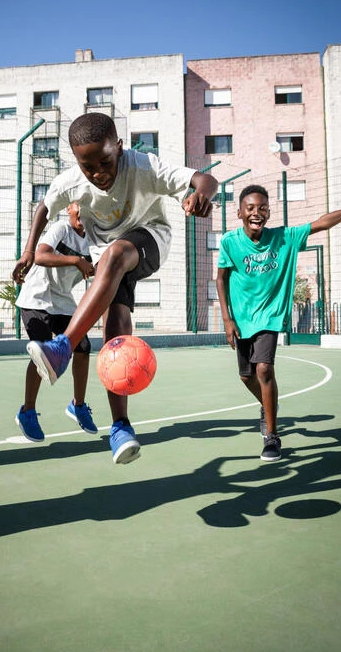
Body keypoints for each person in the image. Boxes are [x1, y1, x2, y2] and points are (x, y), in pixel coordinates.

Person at [12, 112, 218, 464]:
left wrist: (201, 194)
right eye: (87, 166)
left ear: (119, 148)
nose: (98, 173)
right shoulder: (71, 182)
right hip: (107, 261)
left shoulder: (143, 166)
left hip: (149, 240)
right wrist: (29, 251)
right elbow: (44, 208)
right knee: (115, 333)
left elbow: (204, 179)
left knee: (116, 252)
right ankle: (121, 427)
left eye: (105, 162)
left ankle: (62, 348)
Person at [216, 184, 341, 462]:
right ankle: (268, 405)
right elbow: (220, 279)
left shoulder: (284, 237)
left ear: (269, 213)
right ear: (239, 212)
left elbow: (323, 223)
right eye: (251, 208)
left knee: (264, 369)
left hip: (270, 316)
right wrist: (227, 318)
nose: (257, 213)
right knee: (246, 376)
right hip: (242, 320)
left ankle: (272, 436)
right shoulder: (229, 242)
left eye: (263, 208)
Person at [14, 201, 99, 442]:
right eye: (78, 205)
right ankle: (27, 411)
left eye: (88, 205)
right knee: (41, 350)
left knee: (83, 347)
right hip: (36, 295)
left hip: (62, 300)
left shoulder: (94, 240)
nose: (82, 210)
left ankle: (78, 405)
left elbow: (98, 268)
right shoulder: (61, 228)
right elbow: (40, 256)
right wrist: (76, 261)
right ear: (69, 209)